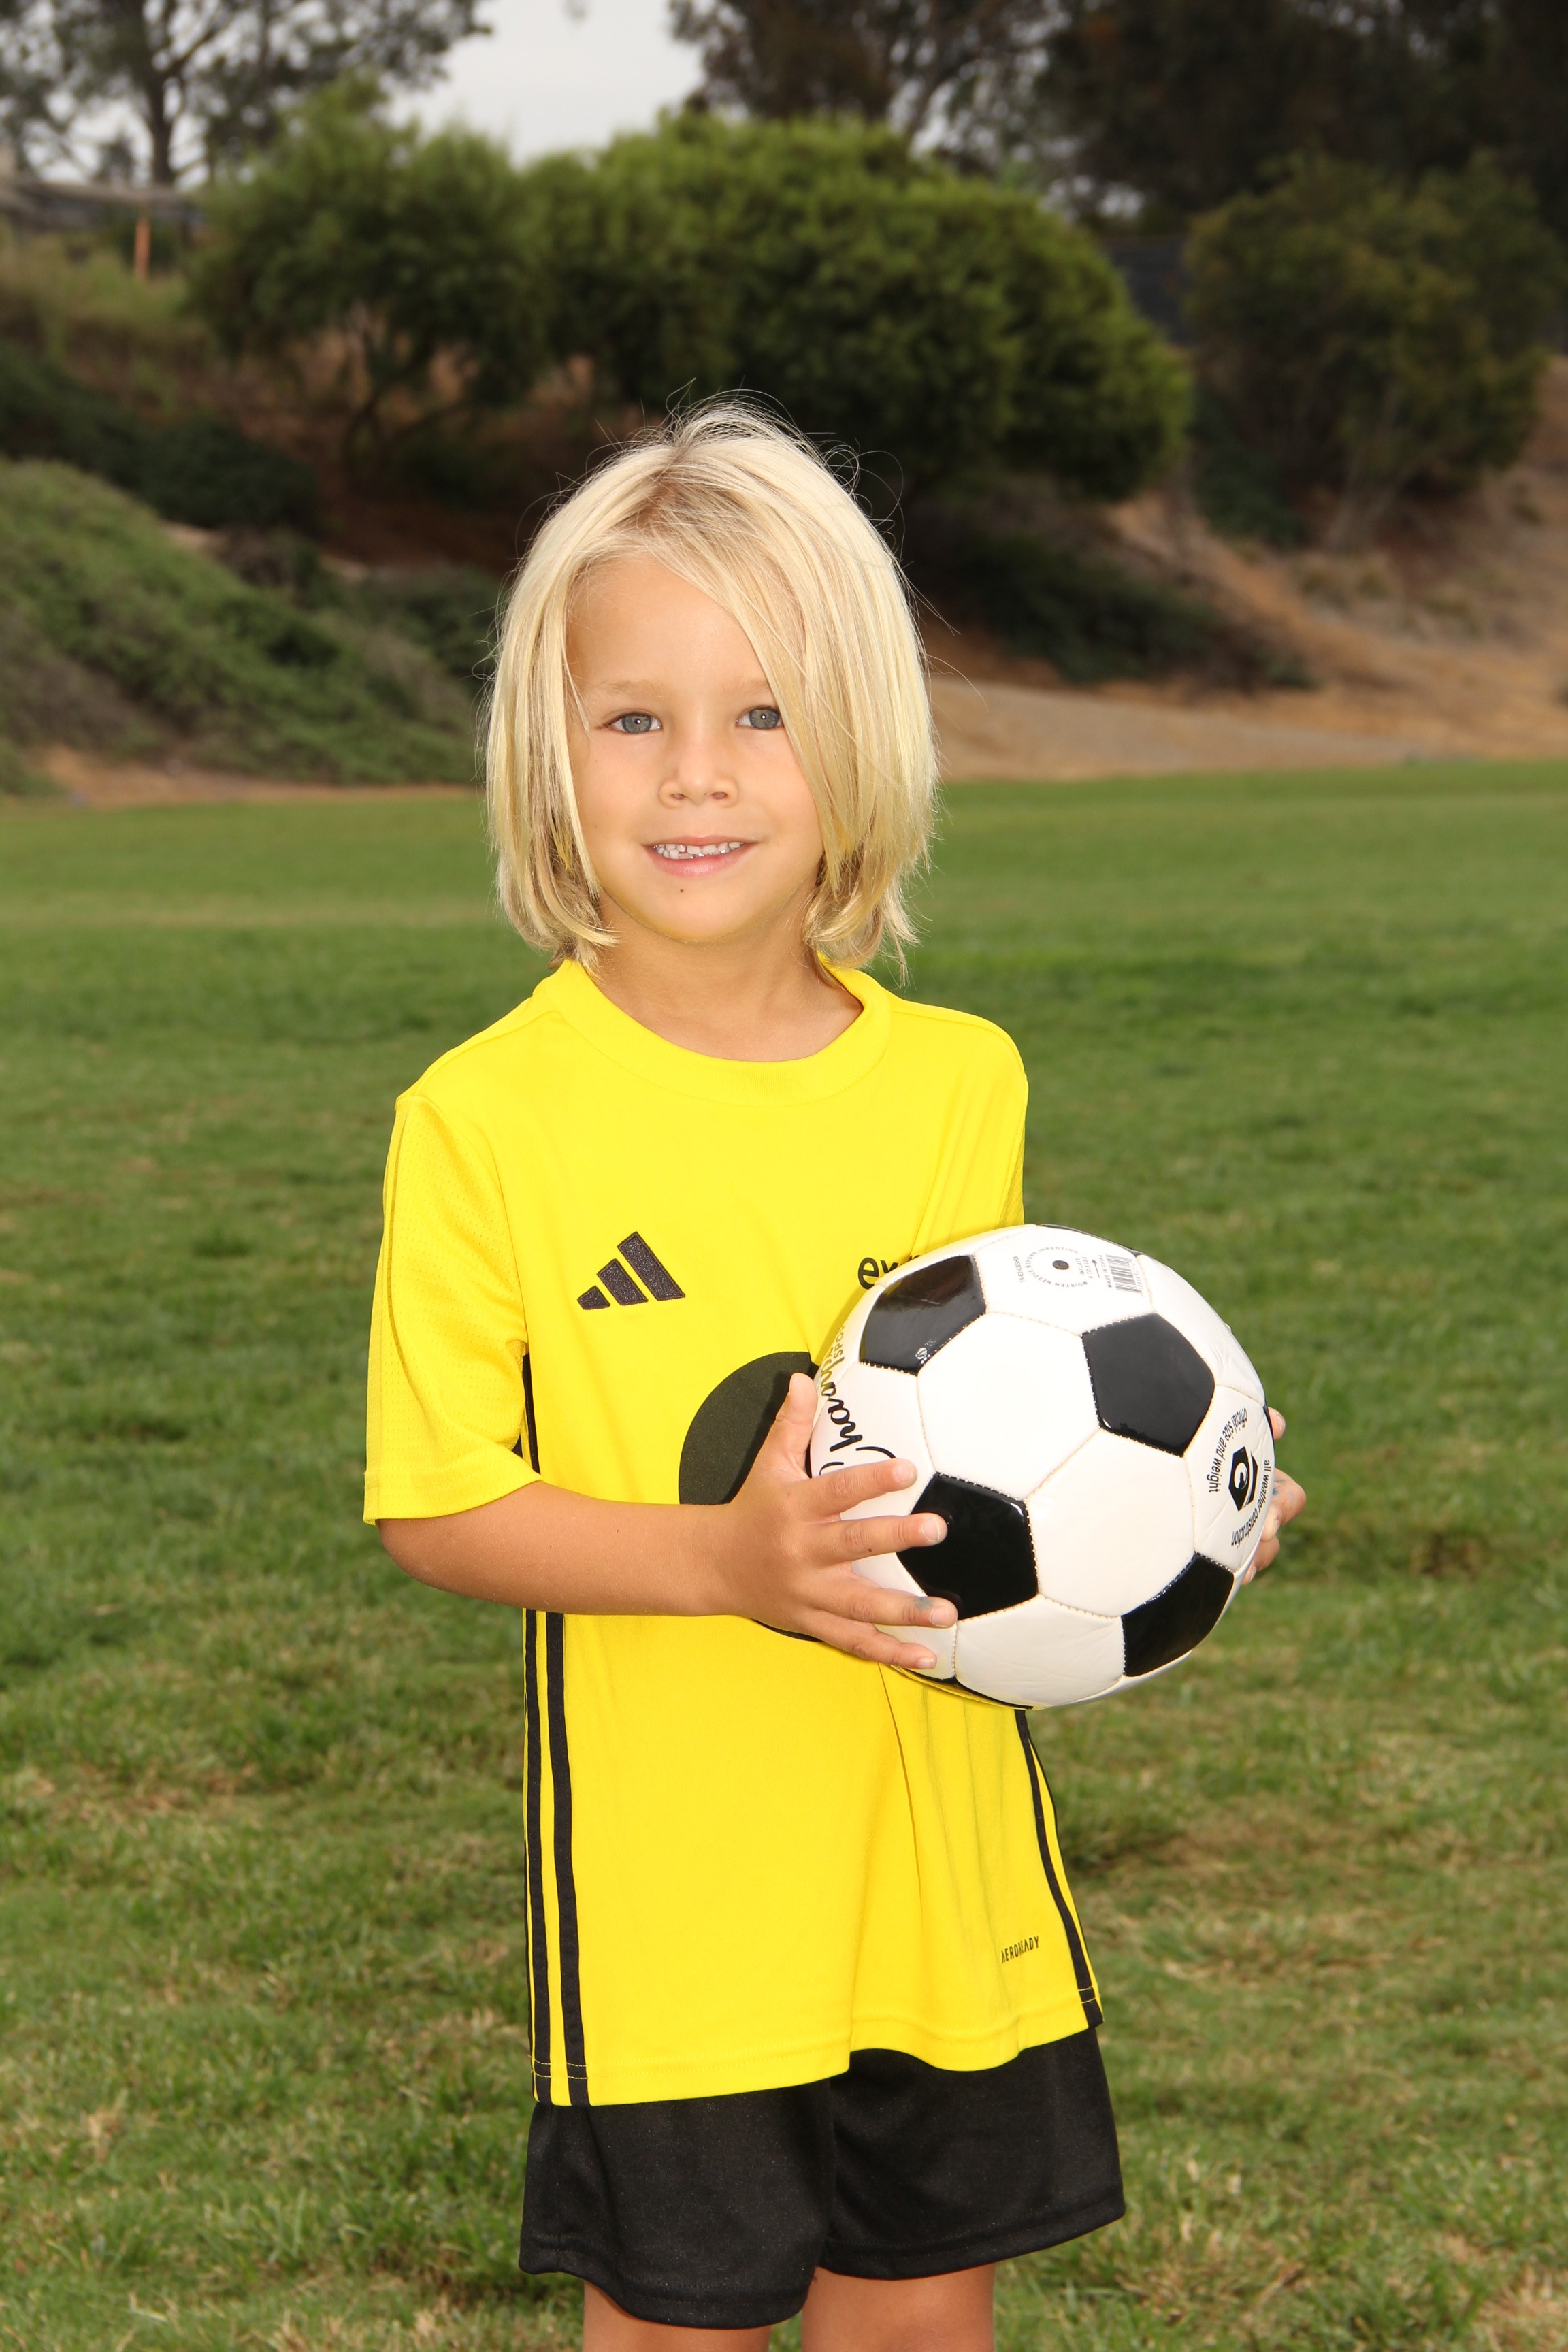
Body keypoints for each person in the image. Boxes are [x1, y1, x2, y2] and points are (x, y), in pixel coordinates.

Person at [365, 406, 1305, 2350]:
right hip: (684, 1914)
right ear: (545, 751)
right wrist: (729, 1562)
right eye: (634, 718)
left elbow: (1009, 1455)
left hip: (941, 1884)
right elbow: (441, 1506)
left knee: (922, 2326)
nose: (697, 773)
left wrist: (1186, 1510)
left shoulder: (958, 1080)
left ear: (862, 740)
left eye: (766, 714)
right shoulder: (485, 1118)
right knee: (681, 2326)